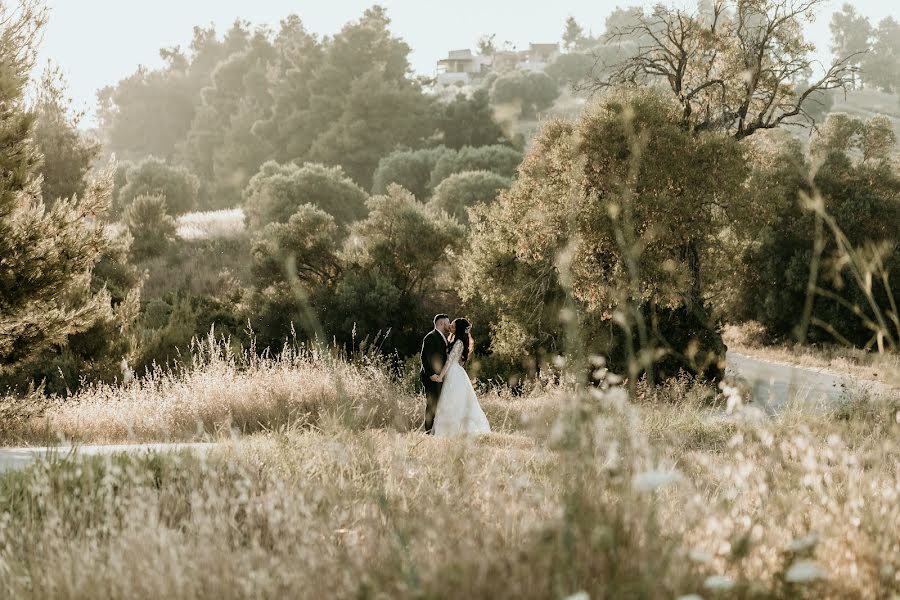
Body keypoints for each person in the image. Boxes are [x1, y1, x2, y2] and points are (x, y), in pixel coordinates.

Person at [432, 318, 491, 437]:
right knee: (452, 400)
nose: (450, 328)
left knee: (453, 401)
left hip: (453, 373)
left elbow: (449, 361)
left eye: (453, 326)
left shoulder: (459, 342)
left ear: (458, 329)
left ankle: (454, 429)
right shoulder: (456, 340)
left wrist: (440, 376)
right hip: (456, 371)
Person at [419, 314, 451, 434]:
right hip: (432, 377)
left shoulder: (444, 338)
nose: (450, 325)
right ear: (441, 323)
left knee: (438, 403)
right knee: (432, 404)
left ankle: (436, 430)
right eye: (448, 322)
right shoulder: (431, 337)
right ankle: (428, 431)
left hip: (440, 377)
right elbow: (424, 357)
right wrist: (431, 374)